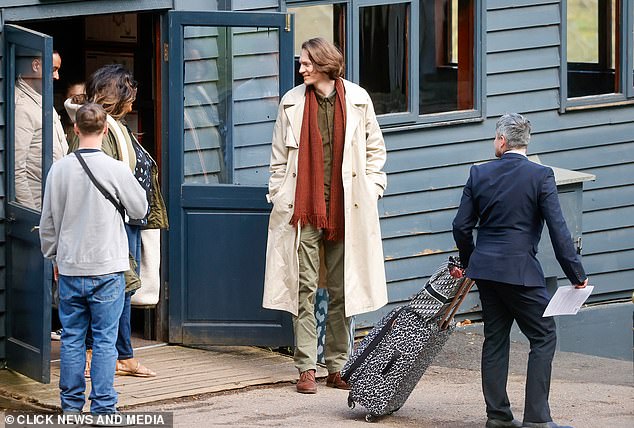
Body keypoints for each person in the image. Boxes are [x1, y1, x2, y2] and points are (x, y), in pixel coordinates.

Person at [262, 37, 388, 394]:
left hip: (347, 210)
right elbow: (277, 160)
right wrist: (278, 194)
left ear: (324, 65)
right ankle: (305, 366)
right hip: (302, 211)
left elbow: (375, 150)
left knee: (342, 289)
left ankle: (337, 365)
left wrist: (373, 188)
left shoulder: (359, 100)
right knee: (303, 288)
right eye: (302, 63)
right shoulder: (292, 103)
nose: (301, 68)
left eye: (306, 63)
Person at [451, 113, 589, 428]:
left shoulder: (478, 173)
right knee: (543, 335)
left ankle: (498, 417)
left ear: (501, 140)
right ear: (525, 142)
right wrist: (576, 275)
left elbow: (461, 226)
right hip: (522, 272)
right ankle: (538, 420)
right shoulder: (541, 176)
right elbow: (559, 231)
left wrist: (473, 261)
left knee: (495, 338)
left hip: (485, 272)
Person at [39, 102, 148, 415]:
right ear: (104, 130)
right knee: (104, 340)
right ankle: (103, 409)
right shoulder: (116, 169)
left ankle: (70, 408)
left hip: (71, 267)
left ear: (75, 129)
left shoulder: (58, 170)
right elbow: (140, 209)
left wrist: (54, 257)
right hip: (109, 267)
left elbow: (48, 223)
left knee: (72, 338)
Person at [65, 64, 168, 378]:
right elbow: (101, 178)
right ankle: (100, 354)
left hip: (128, 220)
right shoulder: (100, 129)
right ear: (117, 96)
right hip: (112, 223)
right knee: (112, 291)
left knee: (123, 290)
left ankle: (122, 354)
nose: (133, 102)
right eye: (130, 96)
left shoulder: (118, 126)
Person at [14, 50, 67, 210]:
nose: (57, 76)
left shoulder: (40, 97)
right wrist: (32, 215)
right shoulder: (21, 107)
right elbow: (16, 169)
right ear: (36, 65)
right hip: (39, 207)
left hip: (53, 204)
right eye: (53, 69)